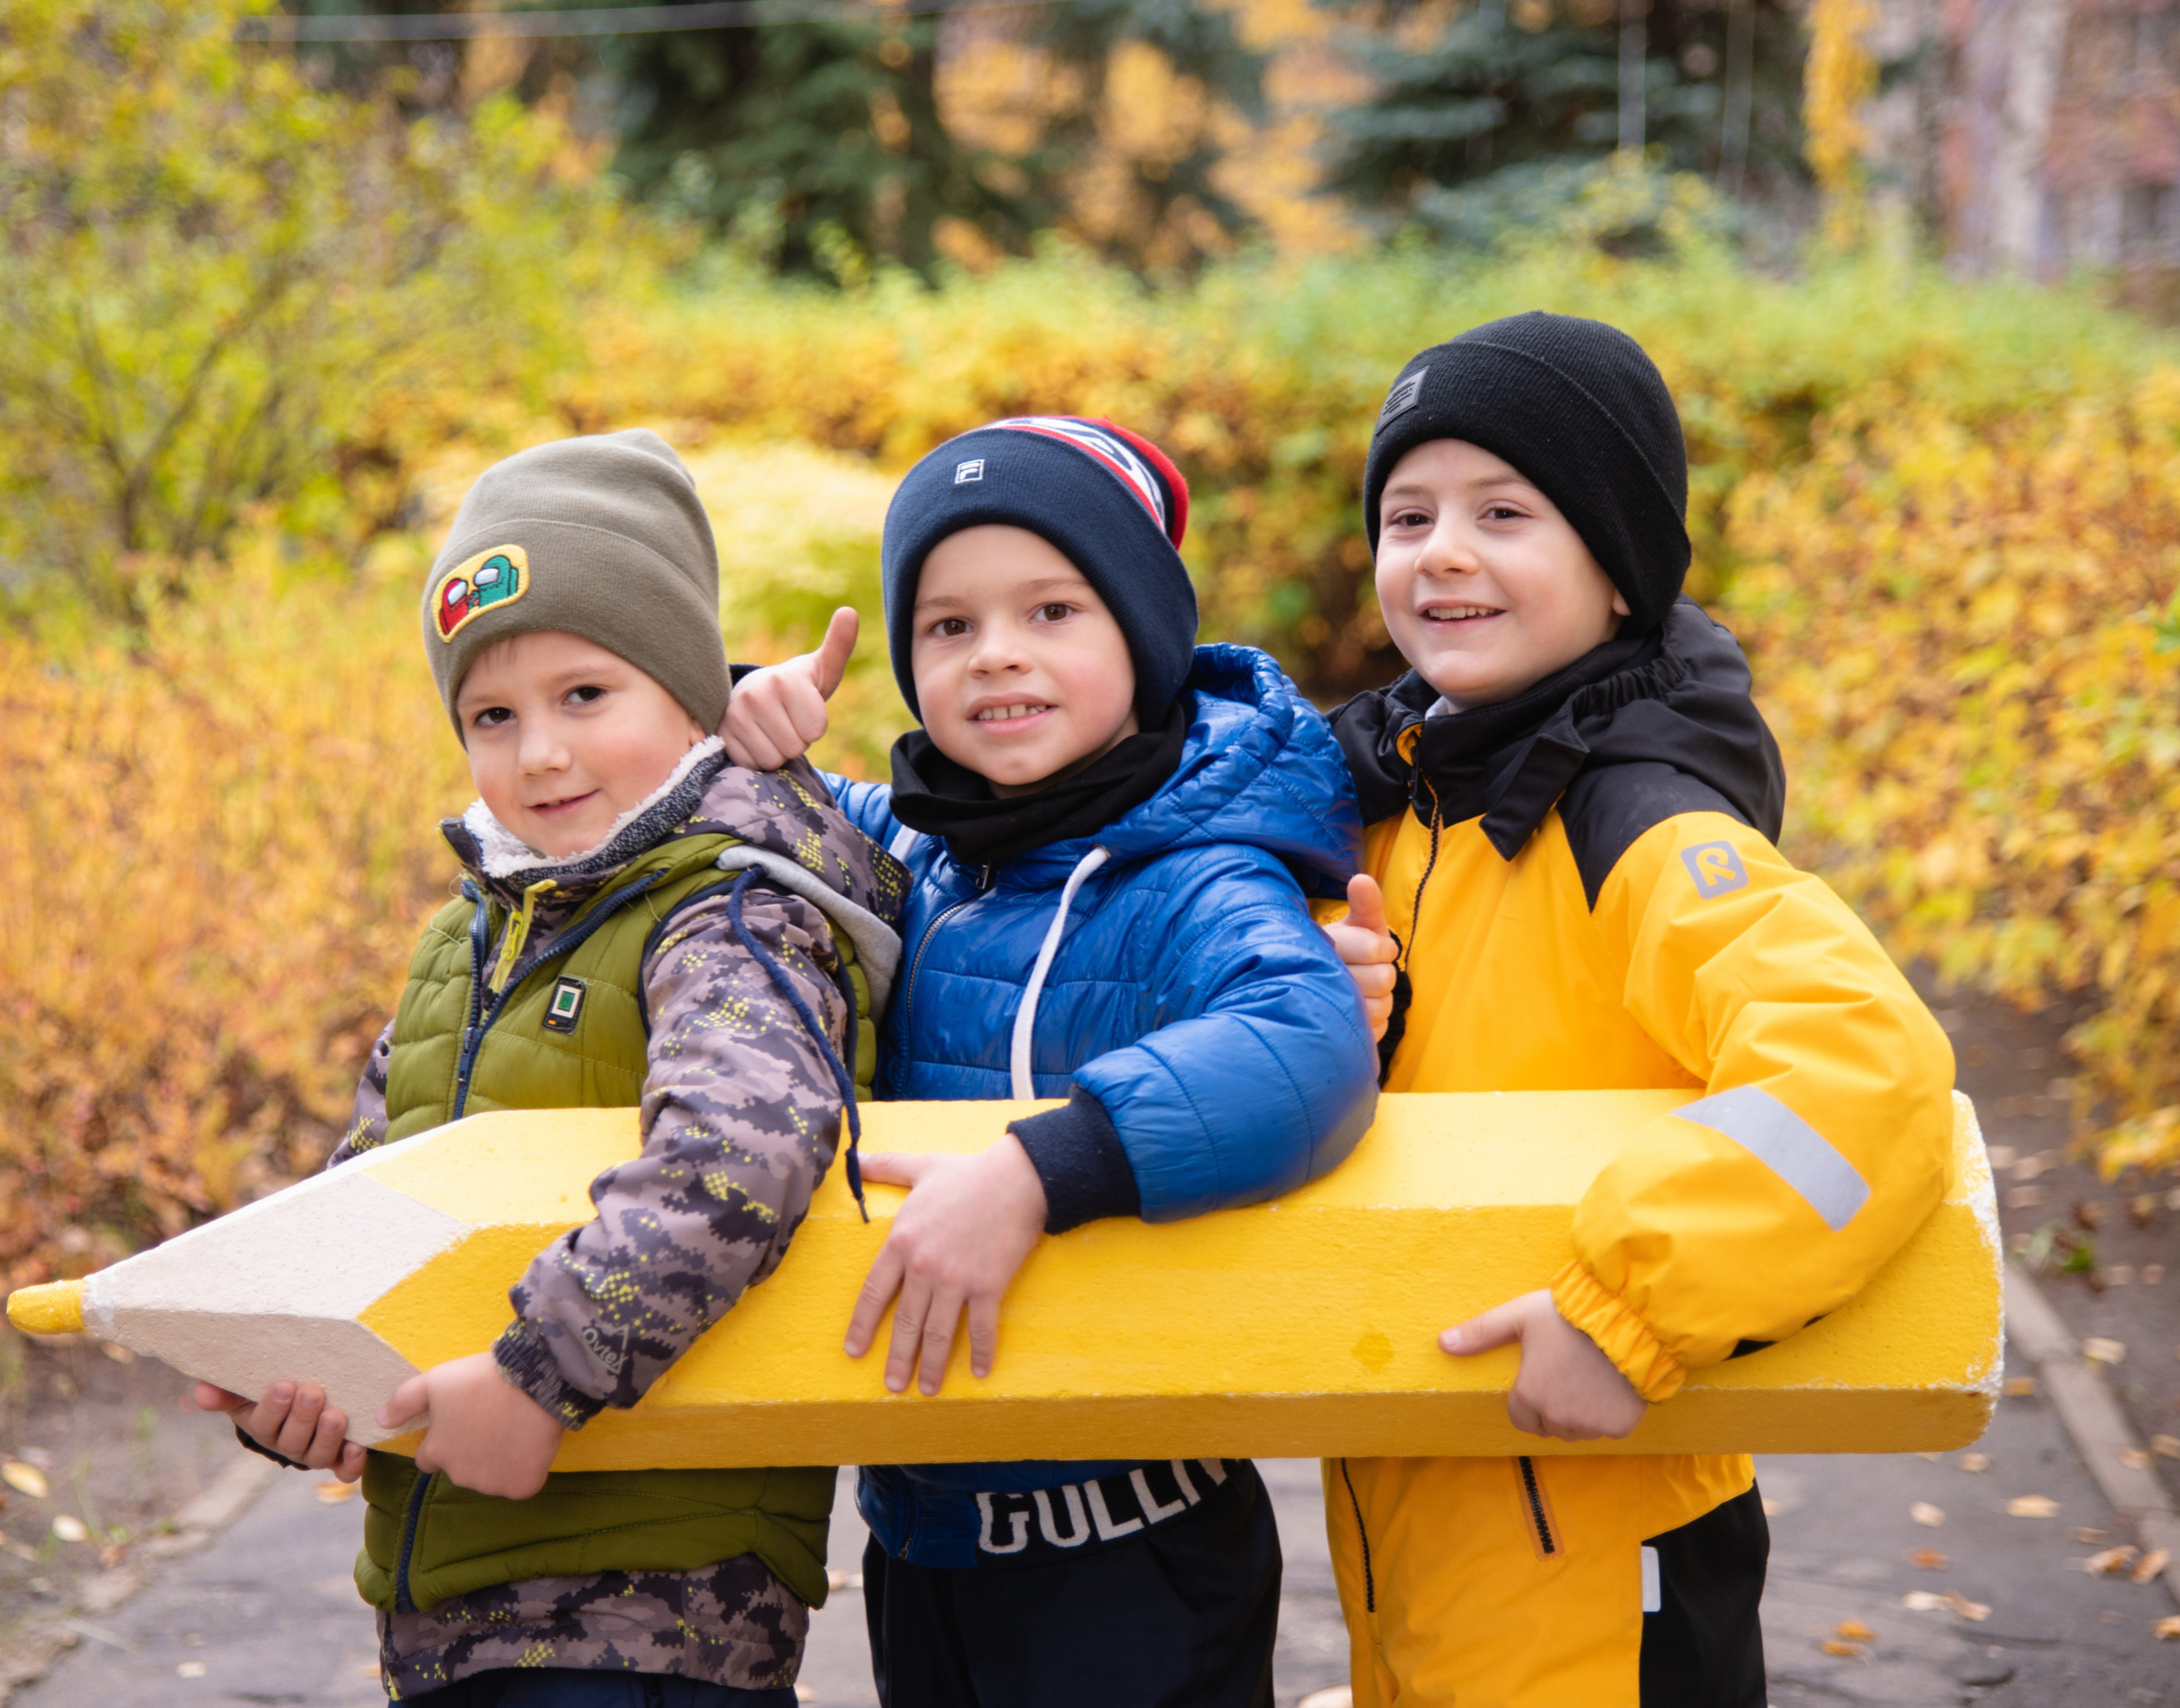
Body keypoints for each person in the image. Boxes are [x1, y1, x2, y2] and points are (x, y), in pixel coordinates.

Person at [192, 429, 909, 1708]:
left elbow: (740, 1149)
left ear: (691, 688)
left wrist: (538, 1377)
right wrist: (291, 1366)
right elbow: (372, 1198)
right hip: (456, 1599)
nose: (540, 754)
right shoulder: (472, 936)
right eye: (492, 714)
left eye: (587, 695)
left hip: (646, 1604)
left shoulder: (724, 908)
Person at [1314, 313, 1958, 1706]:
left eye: (1506, 511)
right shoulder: (1412, 803)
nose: (1443, 550)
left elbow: (1864, 1067)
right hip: (1434, 1507)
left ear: (1618, 572)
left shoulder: (1636, 821)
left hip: (1602, 1533)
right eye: (1408, 513)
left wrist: (1630, 1311)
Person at [723, 415, 1377, 1707]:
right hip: (926, 1540)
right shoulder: (926, 852)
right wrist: (742, 703)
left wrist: (1037, 1170)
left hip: (1126, 1552)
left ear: (1141, 635)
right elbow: (760, 793)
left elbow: (1304, 1041)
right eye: (949, 626)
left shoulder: (1196, 873)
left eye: (1052, 610)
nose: (996, 653)